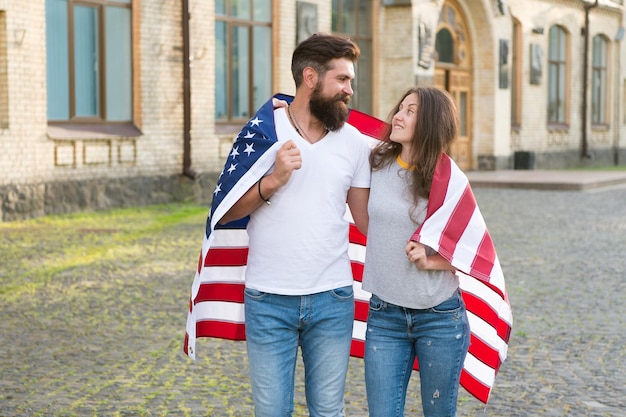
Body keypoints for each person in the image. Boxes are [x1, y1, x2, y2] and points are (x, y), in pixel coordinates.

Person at [218, 33, 371, 417]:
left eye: (351, 81)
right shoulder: (262, 133)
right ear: (310, 78)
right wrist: (272, 180)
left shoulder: (353, 141)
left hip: (332, 299)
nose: (350, 90)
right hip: (268, 299)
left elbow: (366, 221)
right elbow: (228, 210)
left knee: (328, 411)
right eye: (342, 80)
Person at [361, 87, 471, 417]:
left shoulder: (449, 178)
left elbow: (470, 250)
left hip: (438, 316)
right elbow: (331, 132)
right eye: (400, 108)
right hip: (385, 314)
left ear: (430, 124)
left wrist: (431, 258)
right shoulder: (375, 163)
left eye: (411, 112)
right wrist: (288, 108)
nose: (398, 115)